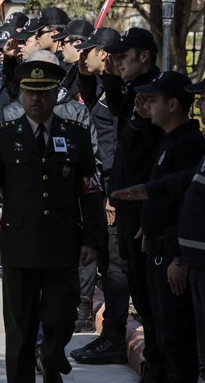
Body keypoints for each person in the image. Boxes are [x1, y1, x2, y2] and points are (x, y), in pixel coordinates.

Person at [0, 60, 104, 383]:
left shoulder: (75, 135)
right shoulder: (3, 137)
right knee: (19, 328)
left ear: (55, 95)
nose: (36, 100)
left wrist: (92, 238)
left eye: (43, 93)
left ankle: (53, 354)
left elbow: (90, 189)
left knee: (62, 315)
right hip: (20, 245)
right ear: (22, 95)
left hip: (63, 242)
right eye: (30, 92)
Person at [101, 27, 165, 380]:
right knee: (139, 291)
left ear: (144, 56)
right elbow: (117, 116)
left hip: (143, 208)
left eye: (124, 57)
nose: (117, 61)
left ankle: (157, 363)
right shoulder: (133, 90)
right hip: (126, 204)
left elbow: (154, 160)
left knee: (149, 293)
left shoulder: (155, 91)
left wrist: (150, 214)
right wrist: (111, 76)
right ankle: (154, 361)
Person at [133, 71, 203, 382]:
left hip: (173, 257)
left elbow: (189, 207)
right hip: (156, 250)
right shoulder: (169, 139)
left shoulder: (189, 144)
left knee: (177, 343)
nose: (147, 104)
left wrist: (179, 256)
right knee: (161, 338)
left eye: (154, 100)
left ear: (173, 104)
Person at [71, 27, 131, 362]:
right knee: (108, 266)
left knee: (115, 270)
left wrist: (113, 194)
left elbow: (119, 146)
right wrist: (84, 74)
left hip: (114, 190)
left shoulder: (122, 92)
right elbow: (95, 105)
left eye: (88, 51)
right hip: (102, 186)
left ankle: (115, 338)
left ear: (104, 55)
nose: (82, 55)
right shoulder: (108, 89)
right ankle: (109, 336)